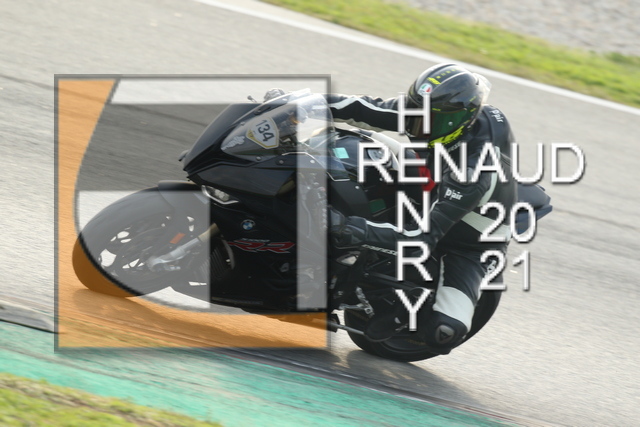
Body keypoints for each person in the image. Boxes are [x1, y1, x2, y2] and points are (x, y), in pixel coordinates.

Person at [324, 63, 517, 354]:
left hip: (467, 244)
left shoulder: (473, 171)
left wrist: (345, 227)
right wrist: (301, 103)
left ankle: (407, 308)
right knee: (353, 146)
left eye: (426, 120)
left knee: (444, 333)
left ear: (454, 121)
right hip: (435, 182)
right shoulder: (441, 113)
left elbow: (421, 239)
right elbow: (367, 109)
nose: (416, 124)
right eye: (415, 112)